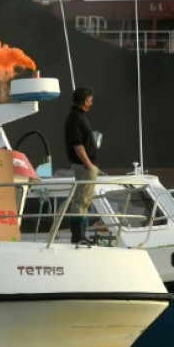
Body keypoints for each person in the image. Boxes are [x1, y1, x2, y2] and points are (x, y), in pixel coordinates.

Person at [64, 87, 99, 243]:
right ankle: (78, 236)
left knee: (84, 200)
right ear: (85, 101)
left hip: (85, 165)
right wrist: (89, 165)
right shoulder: (76, 119)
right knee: (81, 200)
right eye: (90, 100)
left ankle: (81, 235)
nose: (91, 103)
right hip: (84, 166)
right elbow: (78, 146)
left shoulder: (78, 117)